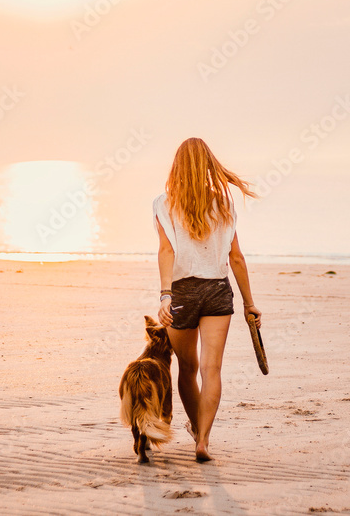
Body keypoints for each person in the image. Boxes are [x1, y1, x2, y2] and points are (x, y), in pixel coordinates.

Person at [153, 137, 261, 462]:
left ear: (177, 166)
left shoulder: (163, 203)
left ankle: (197, 433)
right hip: (218, 290)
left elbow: (166, 250)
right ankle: (203, 440)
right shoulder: (224, 203)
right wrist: (248, 303)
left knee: (187, 369)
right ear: (209, 165)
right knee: (212, 370)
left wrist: (165, 295)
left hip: (183, 292)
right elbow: (237, 257)